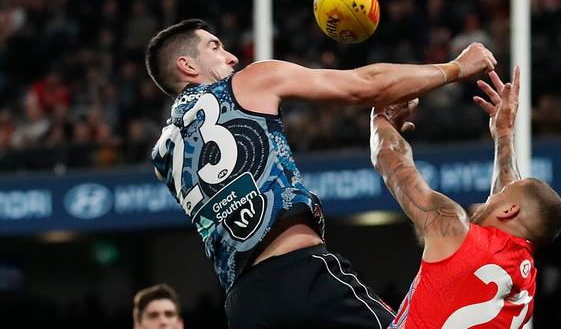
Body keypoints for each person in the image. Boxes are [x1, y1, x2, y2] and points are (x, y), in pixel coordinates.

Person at [146, 18, 496, 329]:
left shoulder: (162, 156)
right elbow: (364, 84)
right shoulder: (251, 81)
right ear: (187, 65)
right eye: (215, 47)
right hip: (302, 277)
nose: (232, 57)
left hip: (244, 305)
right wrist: (457, 67)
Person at [370, 67, 561, 328]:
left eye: (496, 197)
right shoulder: (524, 276)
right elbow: (510, 191)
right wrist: (504, 134)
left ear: (509, 211)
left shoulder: (454, 229)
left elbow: (390, 160)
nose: (488, 197)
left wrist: (381, 118)